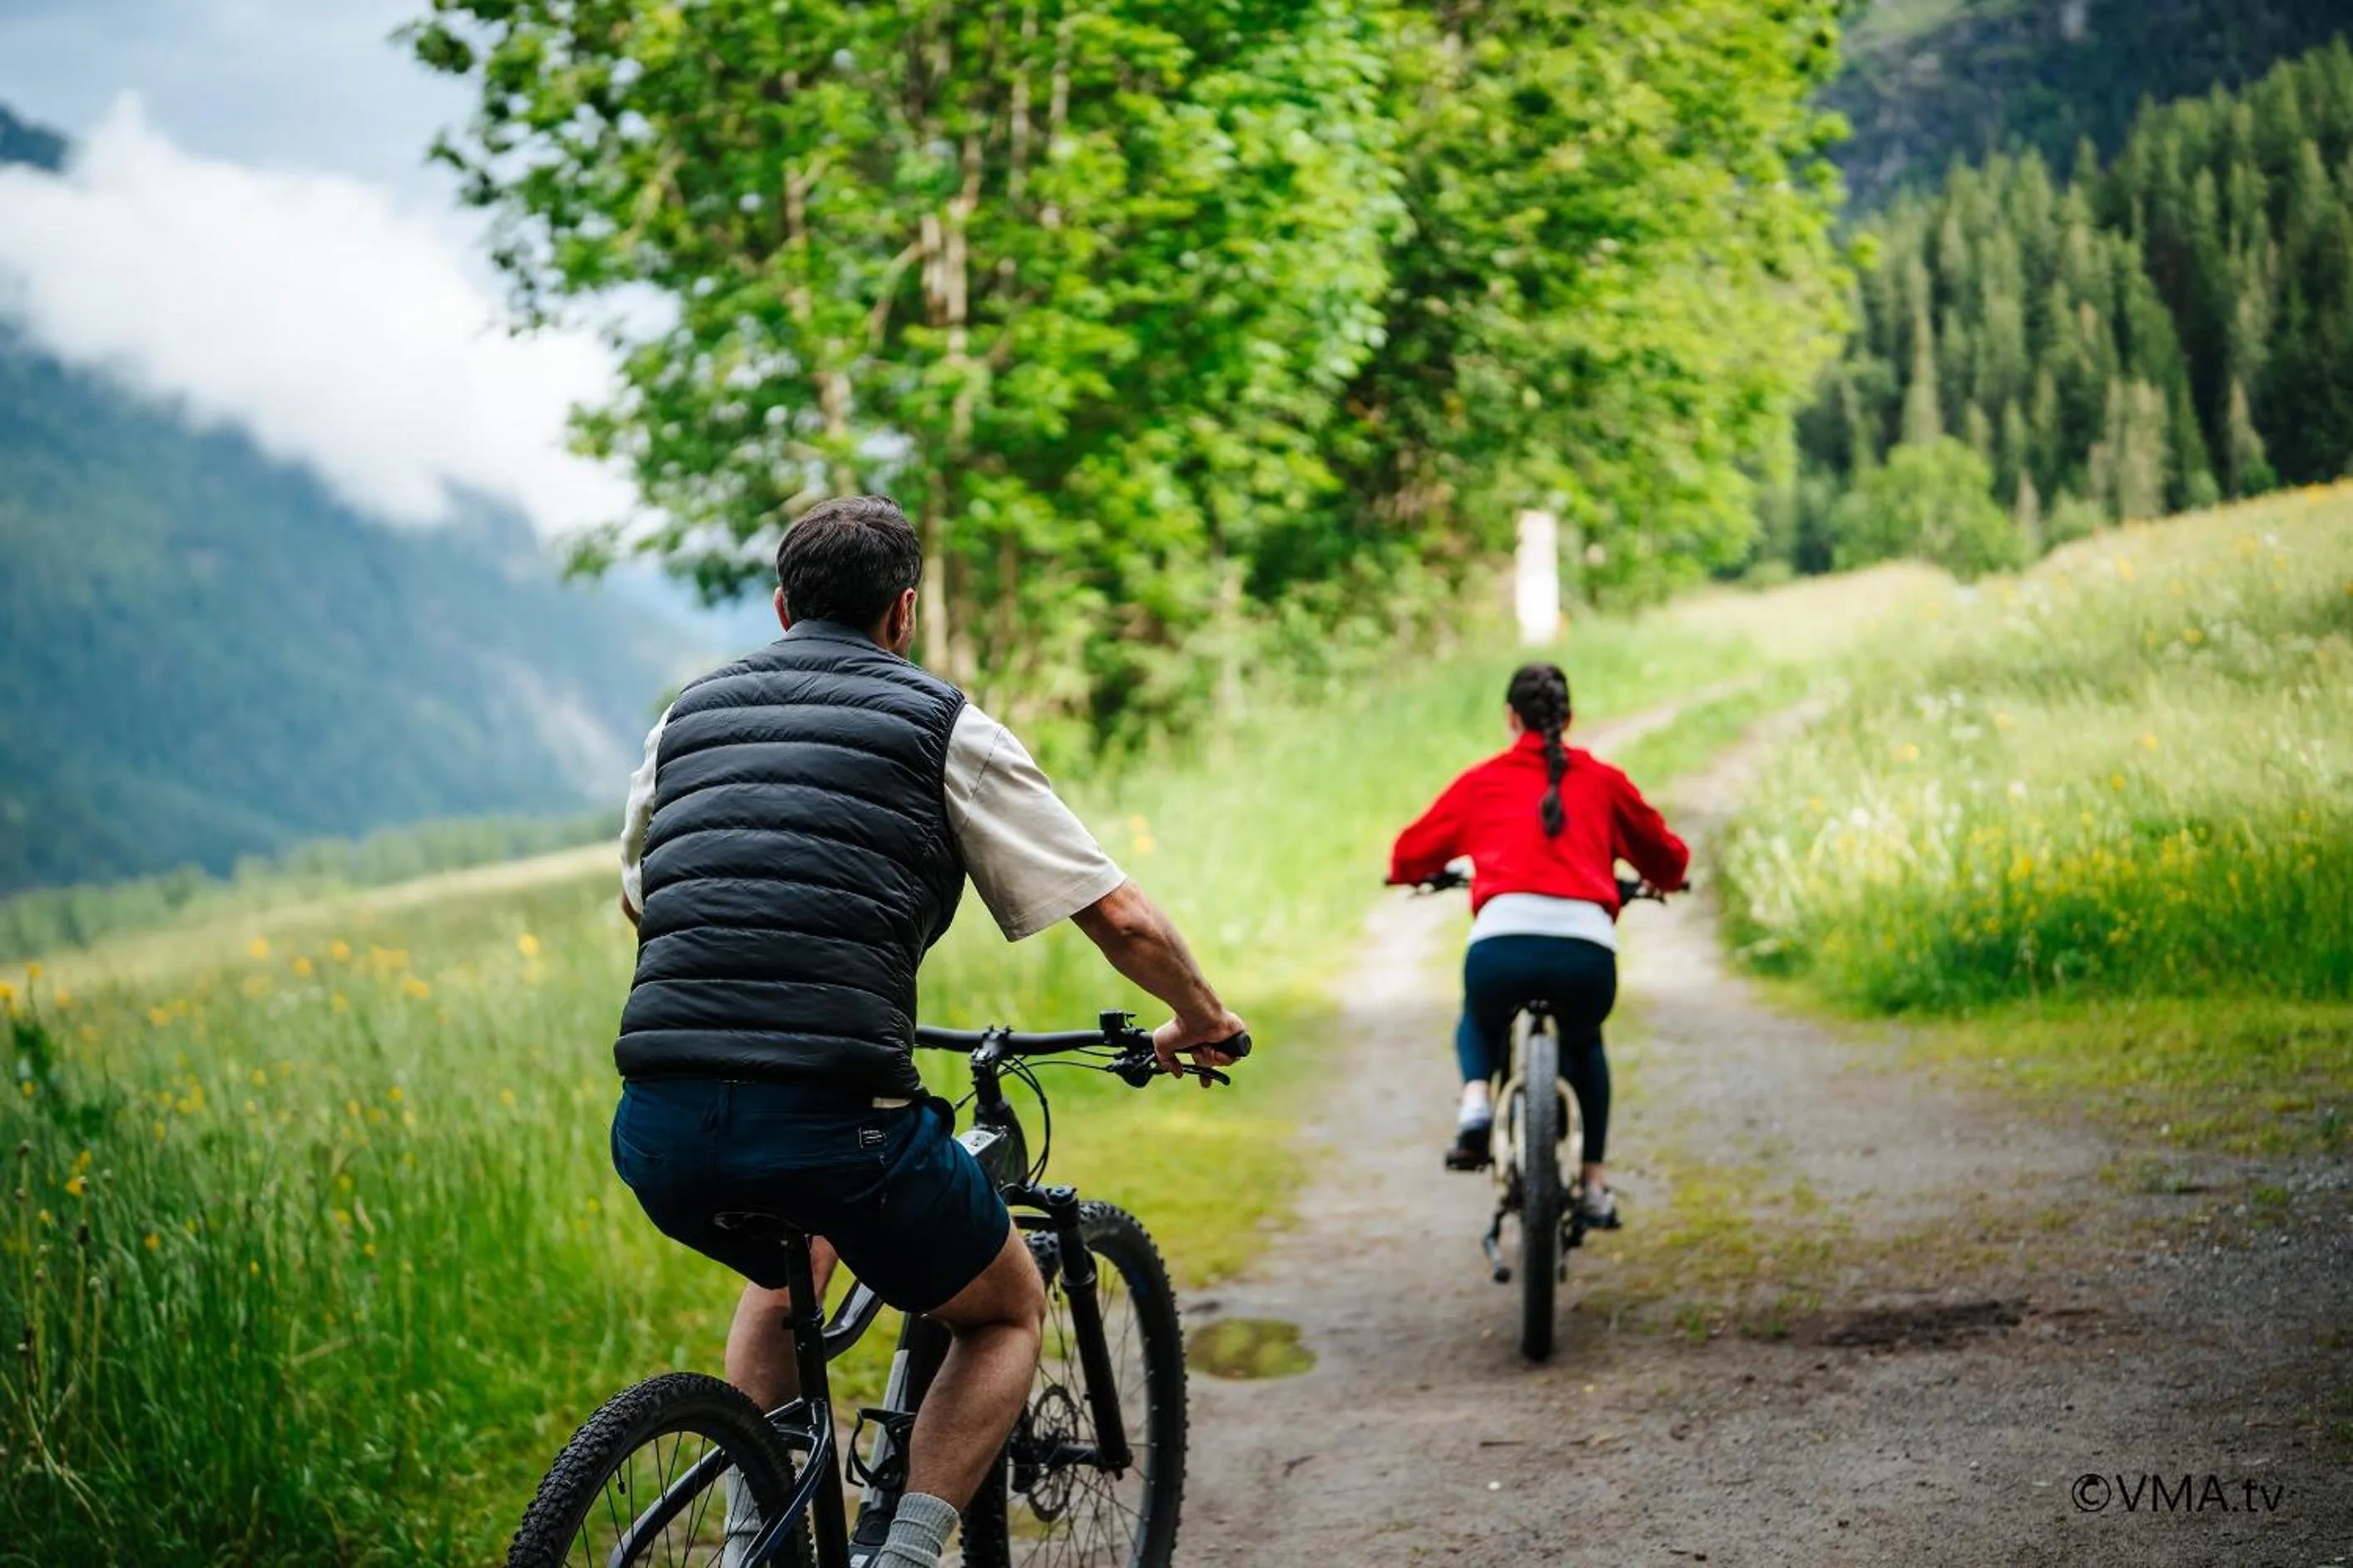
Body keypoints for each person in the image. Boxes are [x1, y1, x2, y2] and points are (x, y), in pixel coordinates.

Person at [610, 495, 1247, 1568]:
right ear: (903, 612)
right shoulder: (940, 722)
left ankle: (740, 1549)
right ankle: (899, 1557)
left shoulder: (686, 718)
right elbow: (1119, 914)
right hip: (830, 1120)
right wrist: (1201, 1018)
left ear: (780, 607)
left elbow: (645, 896)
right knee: (1003, 1306)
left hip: (657, 1124)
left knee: (786, 1268)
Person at [1386, 662, 1687, 1227]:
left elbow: (1409, 854)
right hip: (1586, 955)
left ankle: (1476, 1100)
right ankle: (1594, 1183)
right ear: (1569, 719)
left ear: (1510, 718)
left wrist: (1416, 875)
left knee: (1480, 1016)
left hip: (1501, 948)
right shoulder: (1604, 780)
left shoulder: (1482, 780)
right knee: (1585, 1043)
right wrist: (1664, 880)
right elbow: (1667, 856)